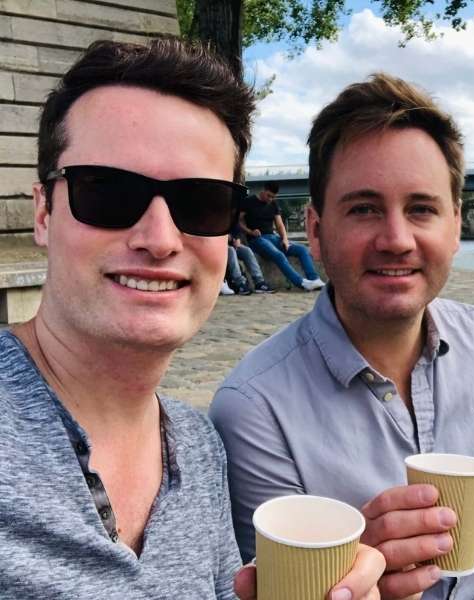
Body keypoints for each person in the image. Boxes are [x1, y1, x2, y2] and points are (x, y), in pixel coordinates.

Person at [210, 73, 474, 600]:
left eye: (421, 210)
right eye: (363, 208)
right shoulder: (253, 408)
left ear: (455, 227)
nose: (396, 240)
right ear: (316, 231)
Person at [0, 39, 383, 599]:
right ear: (43, 213)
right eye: (107, 193)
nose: (159, 240)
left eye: (201, 203)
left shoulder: (200, 447)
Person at [239, 181, 325, 291]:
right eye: (268, 196)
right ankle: (301, 283)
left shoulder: (273, 204)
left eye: (273, 197)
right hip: (257, 239)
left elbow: (279, 224)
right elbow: (239, 222)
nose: (270, 199)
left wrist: (285, 239)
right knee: (278, 255)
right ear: (263, 190)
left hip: (273, 238)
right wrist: (250, 231)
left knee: (302, 249)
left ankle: (314, 279)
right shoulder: (249, 202)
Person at [226, 230, 275, 295]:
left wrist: (237, 238)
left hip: (232, 244)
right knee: (231, 251)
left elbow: (236, 229)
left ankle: (259, 282)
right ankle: (239, 284)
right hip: (218, 246)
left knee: (247, 251)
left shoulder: (229, 220)